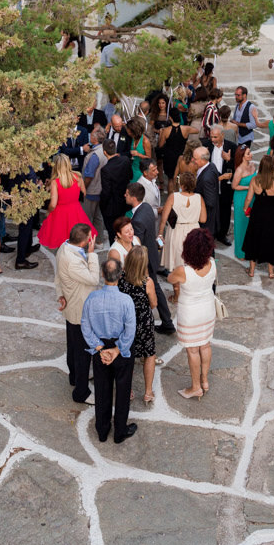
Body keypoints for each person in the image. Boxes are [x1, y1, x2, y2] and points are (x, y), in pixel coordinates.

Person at [81, 255, 138, 443]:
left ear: (102, 275)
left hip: (100, 350)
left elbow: (85, 326)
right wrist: (117, 350)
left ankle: (102, 430)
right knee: (122, 390)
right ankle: (120, 431)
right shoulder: (126, 300)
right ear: (120, 275)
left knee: (102, 389)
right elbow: (130, 330)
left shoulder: (92, 298)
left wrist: (99, 348)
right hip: (121, 351)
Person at [168, 227, 217, 399]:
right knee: (205, 344)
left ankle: (196, 387)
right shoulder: (212, 263)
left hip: (190, 313)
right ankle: (204, 381)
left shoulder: (183, 271)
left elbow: (170, 279)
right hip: (208, 310)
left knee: (193, 350)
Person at [55, 222, 100, 404]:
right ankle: (81, 392)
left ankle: (74, 377)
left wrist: (60, 294)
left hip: (71, 305)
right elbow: (93, 279)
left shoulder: (63, 247)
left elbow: (57, 275)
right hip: (79, 309)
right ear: (84, 242)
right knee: (82, 352)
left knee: (73, 345)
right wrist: (92, 254)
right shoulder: (74, 261)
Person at [125, 179, 175, 333]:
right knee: (156, 288)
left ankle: (166, 323)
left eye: (126, 194)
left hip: (146, 260)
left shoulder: (138, 220)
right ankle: (167, 322)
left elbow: (137, 243)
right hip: (153, 254)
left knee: (153, 289)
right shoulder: (146, 207)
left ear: (133, 198)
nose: (124, 195)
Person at [120, 244, 158, 403]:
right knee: (149, 355)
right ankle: (148, 392)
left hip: (125, 321)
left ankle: (127, 390)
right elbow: (154, 304)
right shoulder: (147, 282)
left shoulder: (120, 277)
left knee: (126, 355)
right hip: (143, 322)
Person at [159, 172, 207, 292]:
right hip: (194, 232)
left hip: (176, 231)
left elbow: (164, 219)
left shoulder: (173, 197)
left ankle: (177, 295)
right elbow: (203, 219)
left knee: (177, 264)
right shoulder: (199, 197)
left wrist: (160, 233)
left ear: (182, 184)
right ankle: (190, 291)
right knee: (191, 263)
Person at [241, 154, 274, 279]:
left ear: (261, 166)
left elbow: (249, 198)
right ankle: (271, 272)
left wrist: (245, 208)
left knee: (254, 238)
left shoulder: (255, 180)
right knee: (270, 240)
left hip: (257, 213)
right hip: (272, 216)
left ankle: (251, 270)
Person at [38, 154, 88, 250]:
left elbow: (53, 204)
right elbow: (84, 193)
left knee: (62, 243)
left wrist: (48, 211)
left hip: (60, 214)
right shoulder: (78, 176)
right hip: (76, 211)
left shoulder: (55, 182)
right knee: (77, 240)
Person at [206, 126, 237, 246]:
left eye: (215, 137)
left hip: (226, 185)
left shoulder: (232, 147)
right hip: (211, 184)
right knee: (211, 209)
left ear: (222, 135)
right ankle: (210, 234)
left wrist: (229, 160)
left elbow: (237, 166)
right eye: (211, 136)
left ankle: (222, 235)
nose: (212, 139)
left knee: (225, 210)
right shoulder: (206, 145)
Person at [98, 138, 133, 233]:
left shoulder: (105, 169)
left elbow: (106, 192)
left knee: (113, 233)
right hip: (124, 203)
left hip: (111, 207)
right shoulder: (125, 160)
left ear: (104, 152)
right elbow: (131, 176)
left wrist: (102, 205)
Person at [230, 144, 258, 262]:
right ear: (242, 156)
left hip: (252, 198)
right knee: (241, 224)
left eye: (250, 152)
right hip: (241, 198)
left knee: (250, 224)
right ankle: (240, 252)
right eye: (248, 153)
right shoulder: (239, 170)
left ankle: (250, 248)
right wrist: (249, 188)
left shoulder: (253, 165)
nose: (251, 154)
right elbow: (234, 186)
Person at [81, 126, 108, 235]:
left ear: (94, 138)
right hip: (100, 189)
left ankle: (86, 243)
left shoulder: (94, 155)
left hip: (91, 190)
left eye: (91, 134)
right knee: (98, 216)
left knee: (86, 218)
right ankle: (99, 240)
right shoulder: (103, 150)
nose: (90, 136)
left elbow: (89, 176)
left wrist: (84, 189)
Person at [192, 146, 220, 245]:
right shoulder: (211, 166)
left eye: (195, 159)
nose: (192, 160)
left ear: (203, 160)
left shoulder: (206, 178)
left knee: (206, 246)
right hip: (210, 217)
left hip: (207, 219)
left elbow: (210, 202)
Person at [227, 85, 258, 152]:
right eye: (235, 95)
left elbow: (253, 125)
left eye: (238, 95)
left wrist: (238, 124)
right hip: (237, 137)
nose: (236, 97)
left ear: (244, 95)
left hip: (246, 138)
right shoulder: (237, 105)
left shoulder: (251, 107)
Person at [126, 115, 152, 181]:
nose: (127, 132)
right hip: (132, 168)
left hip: (140, 170)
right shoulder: (133, 137)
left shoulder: (145, 141)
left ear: (133, 131)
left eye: (128, 131)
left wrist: (138, 154)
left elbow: (149, 158)